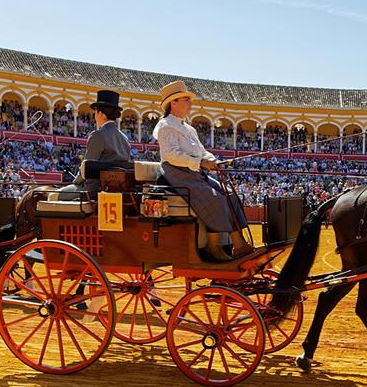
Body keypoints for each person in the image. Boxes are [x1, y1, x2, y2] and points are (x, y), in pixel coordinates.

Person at [153, 80, 251, 262]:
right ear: (173, 102)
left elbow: (201, 151)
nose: (190, 103)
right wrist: (200, 162)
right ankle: (212, 245)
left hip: (194, 172)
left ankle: (239, 243)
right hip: (176, 173)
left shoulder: (188, 128)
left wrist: (212, 160)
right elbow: (171, 155)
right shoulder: (164, 126)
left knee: (229, 194)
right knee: (215, 199)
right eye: (186, 99)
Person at [58, 90, 132, 200]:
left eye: (95, 112)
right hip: (118, 189)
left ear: (101, 114)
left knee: (53, 194)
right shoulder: (124, 138)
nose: (94, 116)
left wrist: (76, 181)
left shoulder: (98, 135)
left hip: (93, 190)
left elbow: (86, 167)